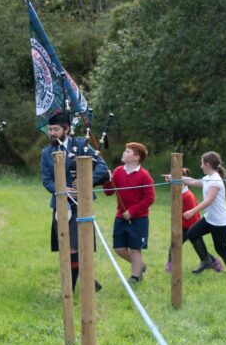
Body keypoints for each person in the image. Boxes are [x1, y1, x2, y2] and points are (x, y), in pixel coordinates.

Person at [40, 112, 109, 292]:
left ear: (67, 129)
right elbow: (46, 180)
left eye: (56, 129)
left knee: (81, 246)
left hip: (82, 203)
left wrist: (87, 181)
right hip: (62, 204)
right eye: (50, 130)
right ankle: (74, 287)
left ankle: (79, 285)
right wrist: (60, 189)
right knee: (68, 247)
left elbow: (102, 166)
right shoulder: (47, 152)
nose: (52, 133)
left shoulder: (81, 145)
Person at [103, 142, 155, 283]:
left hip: (139, 219)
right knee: (119, 248)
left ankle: (135, 277)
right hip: (120, 217)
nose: (123, 153)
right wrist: (107, 179)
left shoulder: (144, 175)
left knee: (135, 248)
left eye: (127, 152)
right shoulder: (118, 171)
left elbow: (150, 198)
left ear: (136, 157)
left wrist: (133, 211)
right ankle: (140, 265)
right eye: (124, 151)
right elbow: (108, 192)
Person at [181, 151, 226, 274]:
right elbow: (193, 182)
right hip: (210, 218)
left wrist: (192, 211)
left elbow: (209, 200)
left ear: (208, 164)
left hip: (220, 222)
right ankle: (206, 261)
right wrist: (176, 178)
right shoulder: (208, 178)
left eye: (202, 163)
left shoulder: (216, 180)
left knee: (221, 248)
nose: (201, 166)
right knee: (192, 233)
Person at [165, 168, 201, 273]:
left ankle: (213, 263)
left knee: (198, 248)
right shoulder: (180, 193)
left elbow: (193, 218)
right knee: (174, 245)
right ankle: (170, 266)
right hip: (184, 227)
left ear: (183, 182)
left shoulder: (187, 196)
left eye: (173, 181)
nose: (171, 184)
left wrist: (179, 225)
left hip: (190, 228)